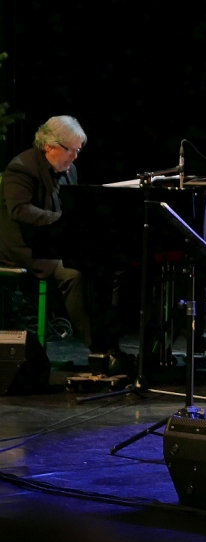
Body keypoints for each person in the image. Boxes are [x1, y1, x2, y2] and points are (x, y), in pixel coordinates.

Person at [0, 116, 122, 363]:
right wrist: (60, 219)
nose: (75, 156)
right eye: (72, 150)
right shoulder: (21, 167)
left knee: (107, 267)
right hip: (24, 246)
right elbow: (19, 210)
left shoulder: (69, 169)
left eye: (78, 150)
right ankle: (97, 349)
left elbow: (71, 208)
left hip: (55, 242)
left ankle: (112, 343)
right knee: (73, 274)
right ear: (49, 145)